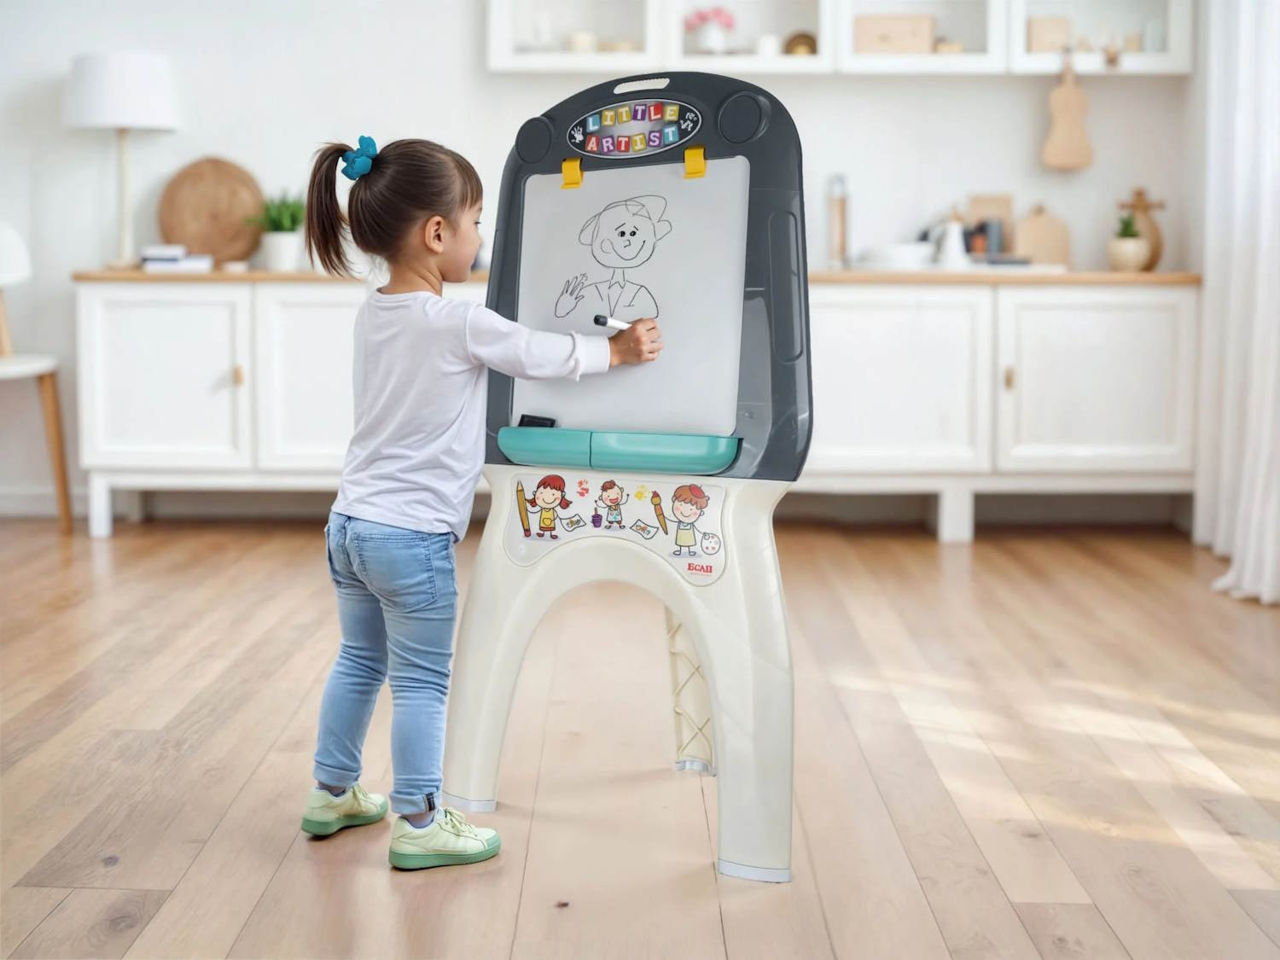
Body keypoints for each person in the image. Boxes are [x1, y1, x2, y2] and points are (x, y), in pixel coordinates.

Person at [298, 136, 663, 870]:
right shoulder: (458, 321)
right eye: (475, 222)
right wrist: (617, 351)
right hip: (410, 539)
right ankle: (420, 821)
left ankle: (332, 793)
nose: (479, 237)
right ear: (437, 233)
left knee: (360, 660)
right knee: (423, 680)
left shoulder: (375, 313)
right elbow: (537, 352)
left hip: (350, 525)